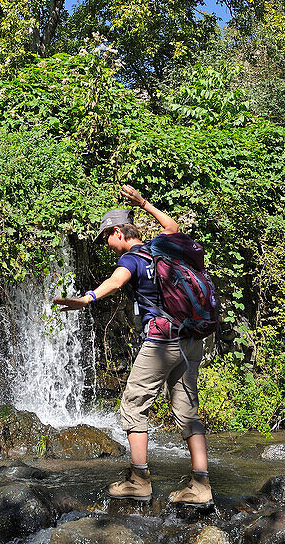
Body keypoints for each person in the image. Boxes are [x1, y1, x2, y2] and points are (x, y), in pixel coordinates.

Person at [52, 185, 212, 506]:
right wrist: (144, 203)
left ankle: (139, 480)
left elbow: (116, 280)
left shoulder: (132, 257)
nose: (107, 245)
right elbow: (174, 227)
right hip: (190, 337)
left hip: (162, 338)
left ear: (117, 232)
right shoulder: (162, 247)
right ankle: (201, 485)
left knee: (133, 405)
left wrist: (86, 298)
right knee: (186, 410)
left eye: (106, 238)